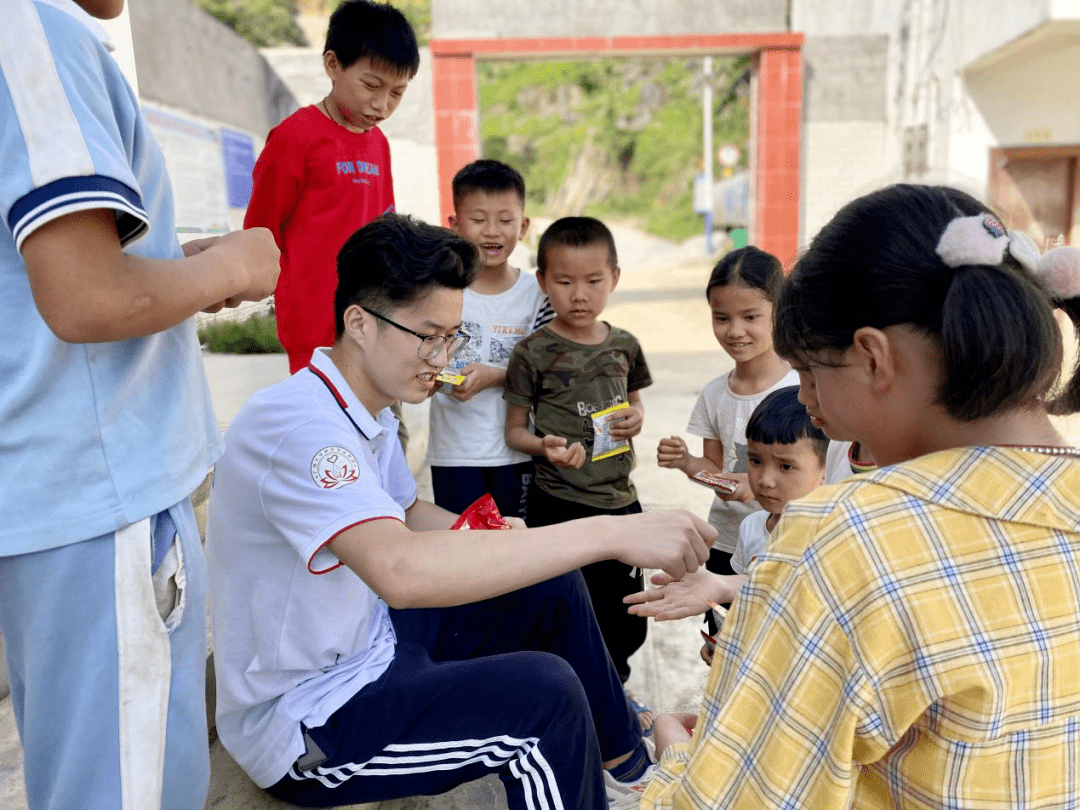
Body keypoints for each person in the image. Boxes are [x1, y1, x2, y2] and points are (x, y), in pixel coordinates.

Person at [206, 214, 715, 810]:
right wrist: (609, 531)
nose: (443, 358)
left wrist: (501, 539)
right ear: (359, 323)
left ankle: (626, 763)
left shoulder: (364, 409)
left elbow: (405, 511)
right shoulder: (301, 429)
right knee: (543, 700)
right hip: (313, 719)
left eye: (453, 337)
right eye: (429, 336)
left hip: (371, 641)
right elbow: (400, 571)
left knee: (548, 577)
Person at [628, 184, 1080, 809]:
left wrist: (678, 758)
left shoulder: (842, 539)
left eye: (811, 373)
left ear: (872, 357)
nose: (806, 401)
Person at [0, 2, 280, 809]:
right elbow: (89, 298)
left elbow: (49, 281)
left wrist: (171, 268)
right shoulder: (31, 30)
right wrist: (231, 265)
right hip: (104, 497)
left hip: (59, 498)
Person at [503, 216, 652, 697]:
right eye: (564, 282)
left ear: (615, 278)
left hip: (619, 502)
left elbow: (634, 400)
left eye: (593, 281)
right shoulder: (533, 352)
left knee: (625, 610)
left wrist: (636, 415)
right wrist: (541, 446)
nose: (579, 295)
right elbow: (514, 432)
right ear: (543, 281)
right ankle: (571, 690)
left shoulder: (625, 345)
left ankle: (616, 685)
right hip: (559, 502)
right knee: (567, 605)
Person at [244, 0, 419, 373]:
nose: (382, 104)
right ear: (333, 65)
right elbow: (260, 233)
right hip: (315, 328)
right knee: (326, 426)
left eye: (397, 93)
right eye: (371, 85)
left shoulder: (379, 143)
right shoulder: (295, 137)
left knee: (382, 428)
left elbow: (384, 230)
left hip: (375, 323)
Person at [656, 247, 798, 579]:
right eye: (722, 318)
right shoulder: (715, 393)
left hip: (782, 540)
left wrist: (755, 482)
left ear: (778, 312)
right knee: (722, 628)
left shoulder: (801, 389)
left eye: (750, 317)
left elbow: (816, 471)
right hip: (727, 542)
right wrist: (688, 463)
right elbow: (715, 472)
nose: (734, 331)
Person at [426, 159, 553, 519]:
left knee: (514, 546)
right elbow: (423, 359)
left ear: (524, 226)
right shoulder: (440, 291)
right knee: (463, 549)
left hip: (516, 453)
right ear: (454, 225)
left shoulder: (536, 293)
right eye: (479, 220)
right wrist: (434, 378)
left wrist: (496, 375)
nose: (492, 232)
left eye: (505, 220)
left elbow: (551, 365)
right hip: (454, 453)